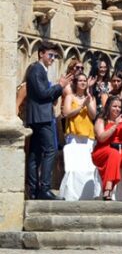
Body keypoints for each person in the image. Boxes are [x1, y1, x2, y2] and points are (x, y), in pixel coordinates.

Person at [25, 42, 71, 200]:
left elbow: (46, 95)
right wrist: (60, 86)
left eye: (55, 56)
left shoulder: (39, 70)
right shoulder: (36, 69)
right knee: (50, 150)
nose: (52, 59)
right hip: (40, 117)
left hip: (39, 116)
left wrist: (58, 89)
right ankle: (43, 188)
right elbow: (43, 93)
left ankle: (33, 190)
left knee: (35, 154)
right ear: (41, 54)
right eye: (50, 55)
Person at [62, 73, 97, 146]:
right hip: (73, 134)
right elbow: (66, 114)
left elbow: (93, 116)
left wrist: (87, 104)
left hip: (88, 135)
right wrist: (81, 106)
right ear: (75, 83)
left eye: (85, 81)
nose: (83, 82)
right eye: (80, 81)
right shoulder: (70, 97)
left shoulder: (91, 98)